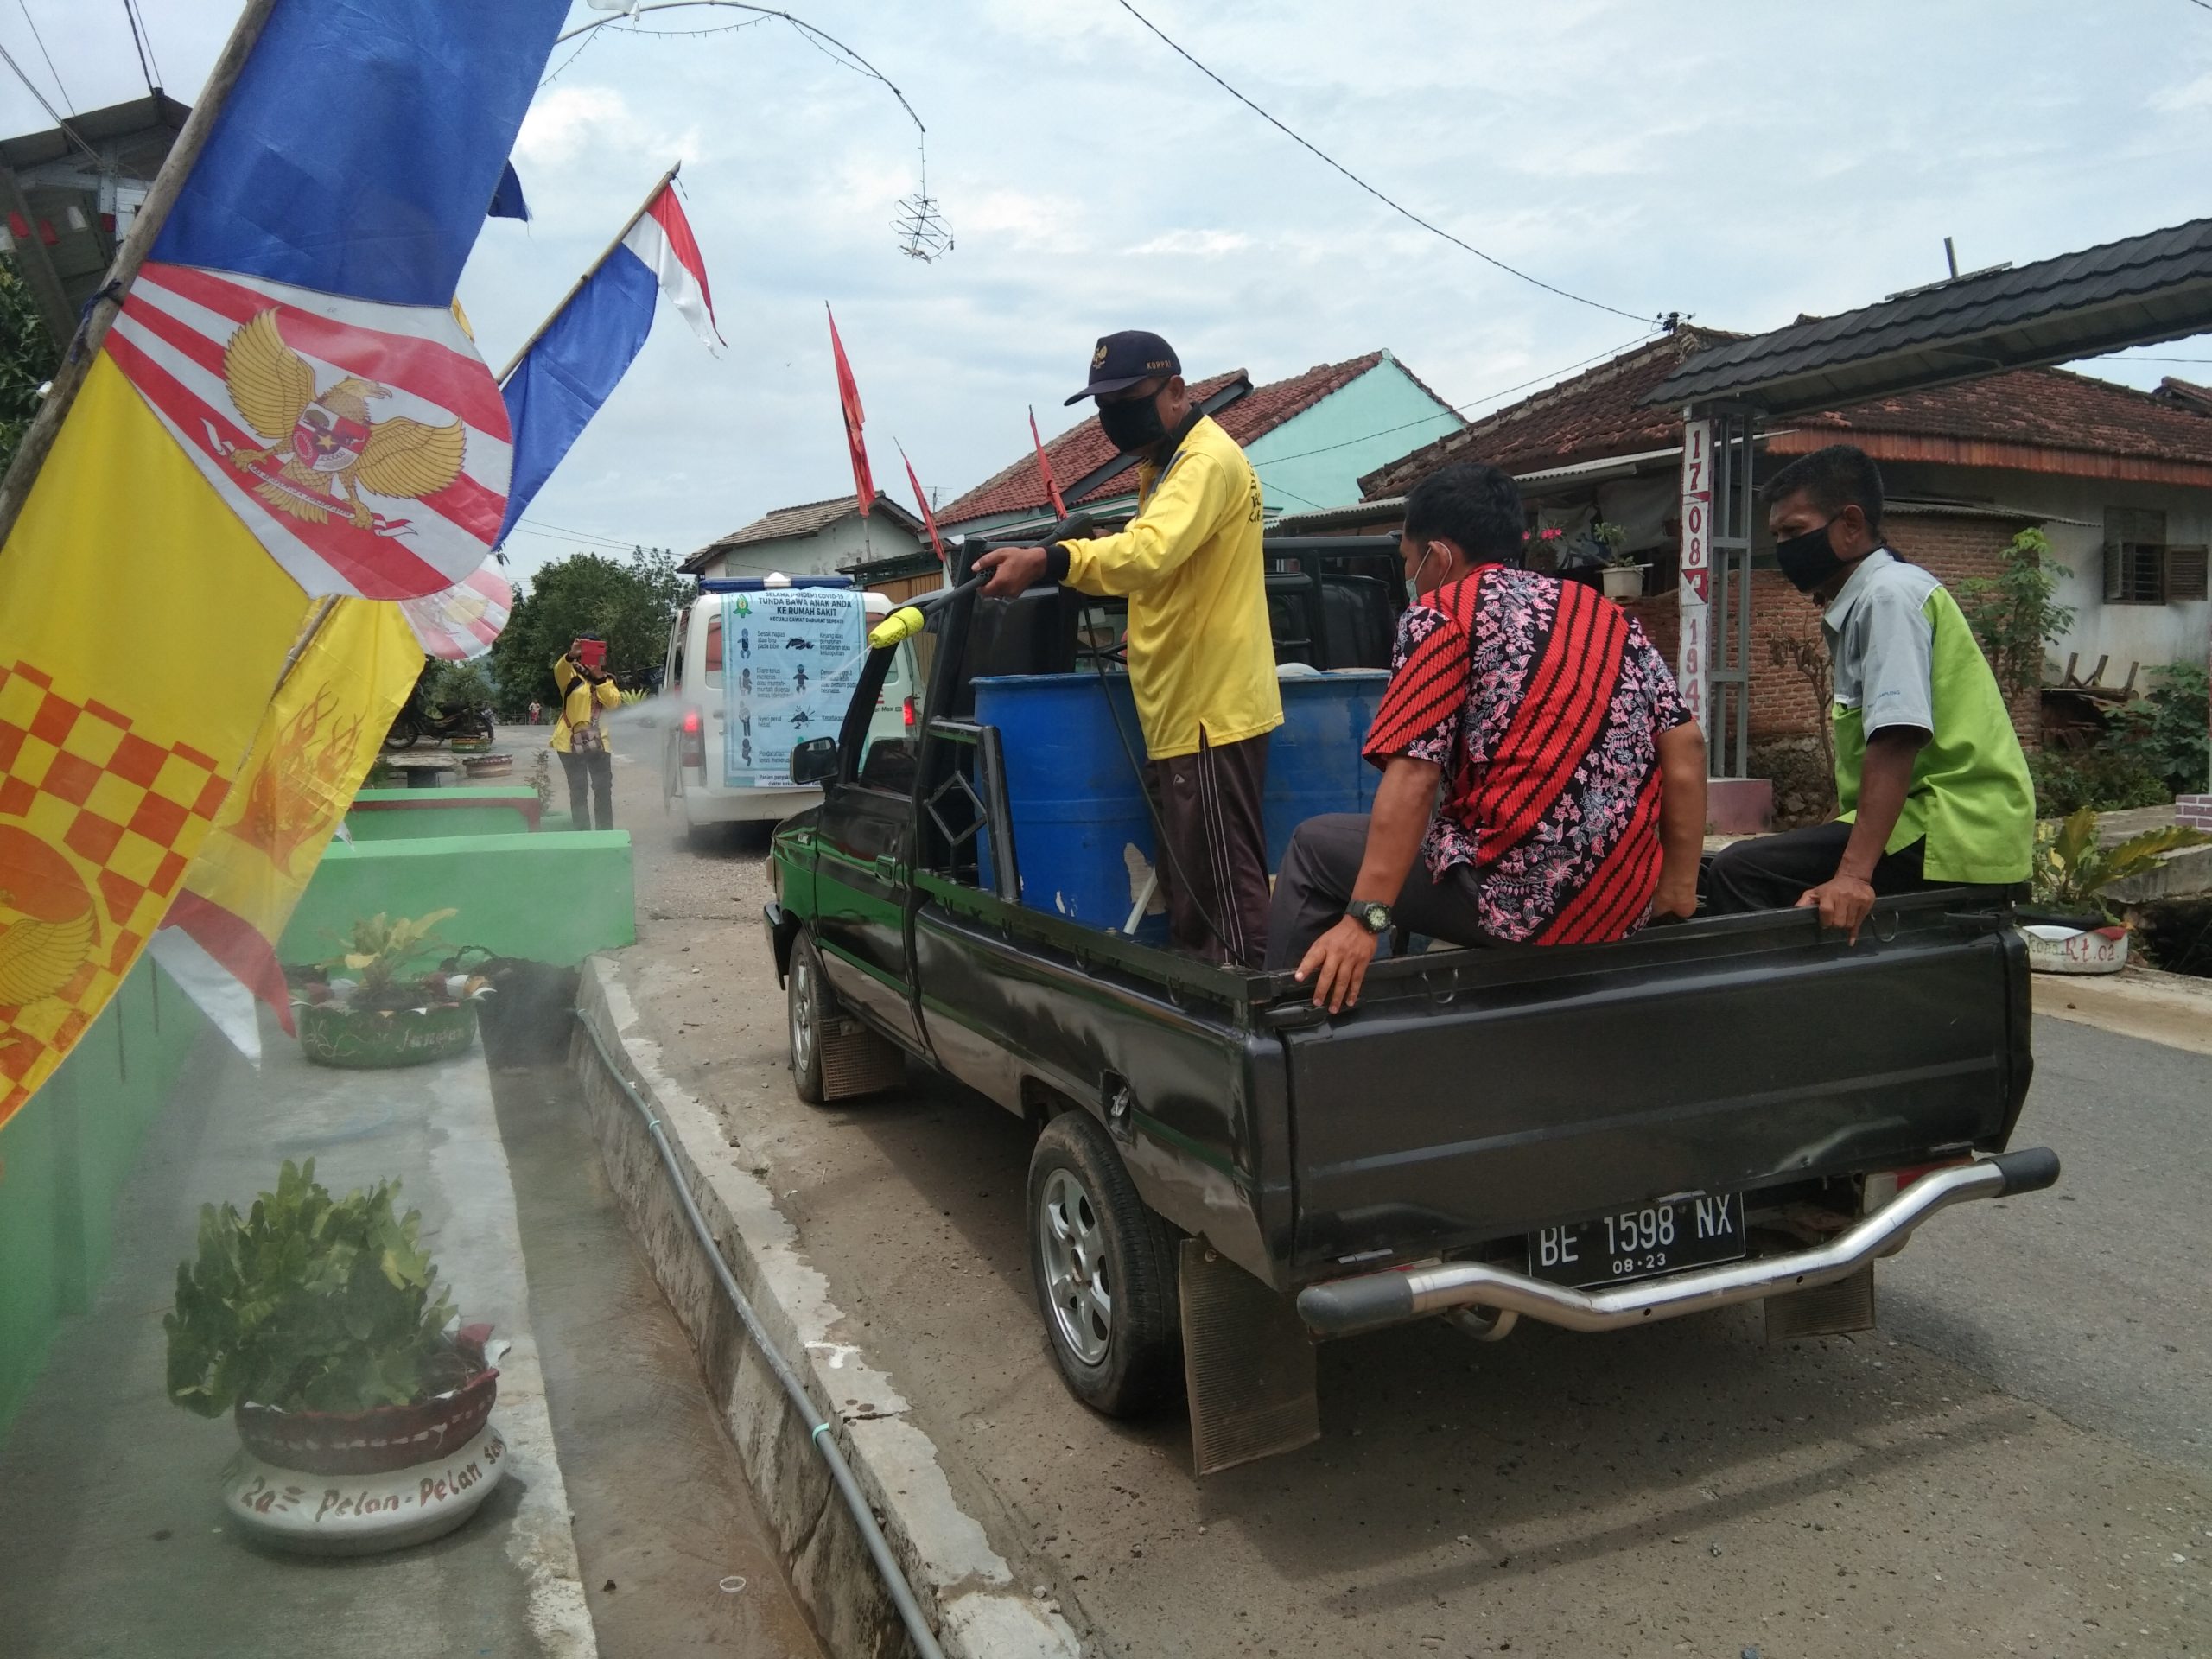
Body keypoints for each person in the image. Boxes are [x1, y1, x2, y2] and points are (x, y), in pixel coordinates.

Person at [1268, 462, 1708, 1011]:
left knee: (1314, 845)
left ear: (1441, 556)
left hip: (1518, 904)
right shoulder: (1604, 613)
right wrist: (1677, 885)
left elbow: (1413, 776)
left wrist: (1365, 918)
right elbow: (1686, 748)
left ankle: (1275, 1022)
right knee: (1438, 833)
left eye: (1409, 561)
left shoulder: (1442, 614)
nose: (1411, 576)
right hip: (1621, 899)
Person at [975, 329, 1280, 967]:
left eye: (1127, 399)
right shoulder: (1165, 468)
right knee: (1193, 884)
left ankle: (1251, 1013)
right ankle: (1207, 1011)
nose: (1113, 418)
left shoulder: (1203, 462)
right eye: (1103, 406)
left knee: (1223, 891)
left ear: (1176, 391)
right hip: (1182, 707)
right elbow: (1171, 569)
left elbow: (1148, 554)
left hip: (1209, 710)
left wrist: (1049, 559)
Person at [1705, 445, 2032, 938]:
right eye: (1776, 535)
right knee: (1718, 868)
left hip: (1953, 825)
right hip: (1923, 821)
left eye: (1794, 532)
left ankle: (1776, 1007)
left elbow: (1897, 738)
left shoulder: (1888, 596)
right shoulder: (1866, 600)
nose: (1784, 547)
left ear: (1851, 524)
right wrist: (1831, 844)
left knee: (1742, 870)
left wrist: (1853, 876)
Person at [550, 634, 620, 831]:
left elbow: (614, 703)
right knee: (578, 790)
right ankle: (583, 834)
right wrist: (571, 654)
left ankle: (605, 834)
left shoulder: (607, 680)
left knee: (603, 789)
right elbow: (559, 669)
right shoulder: (569, 677)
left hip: (600, 743)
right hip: (569, 742)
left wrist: (598, 678)